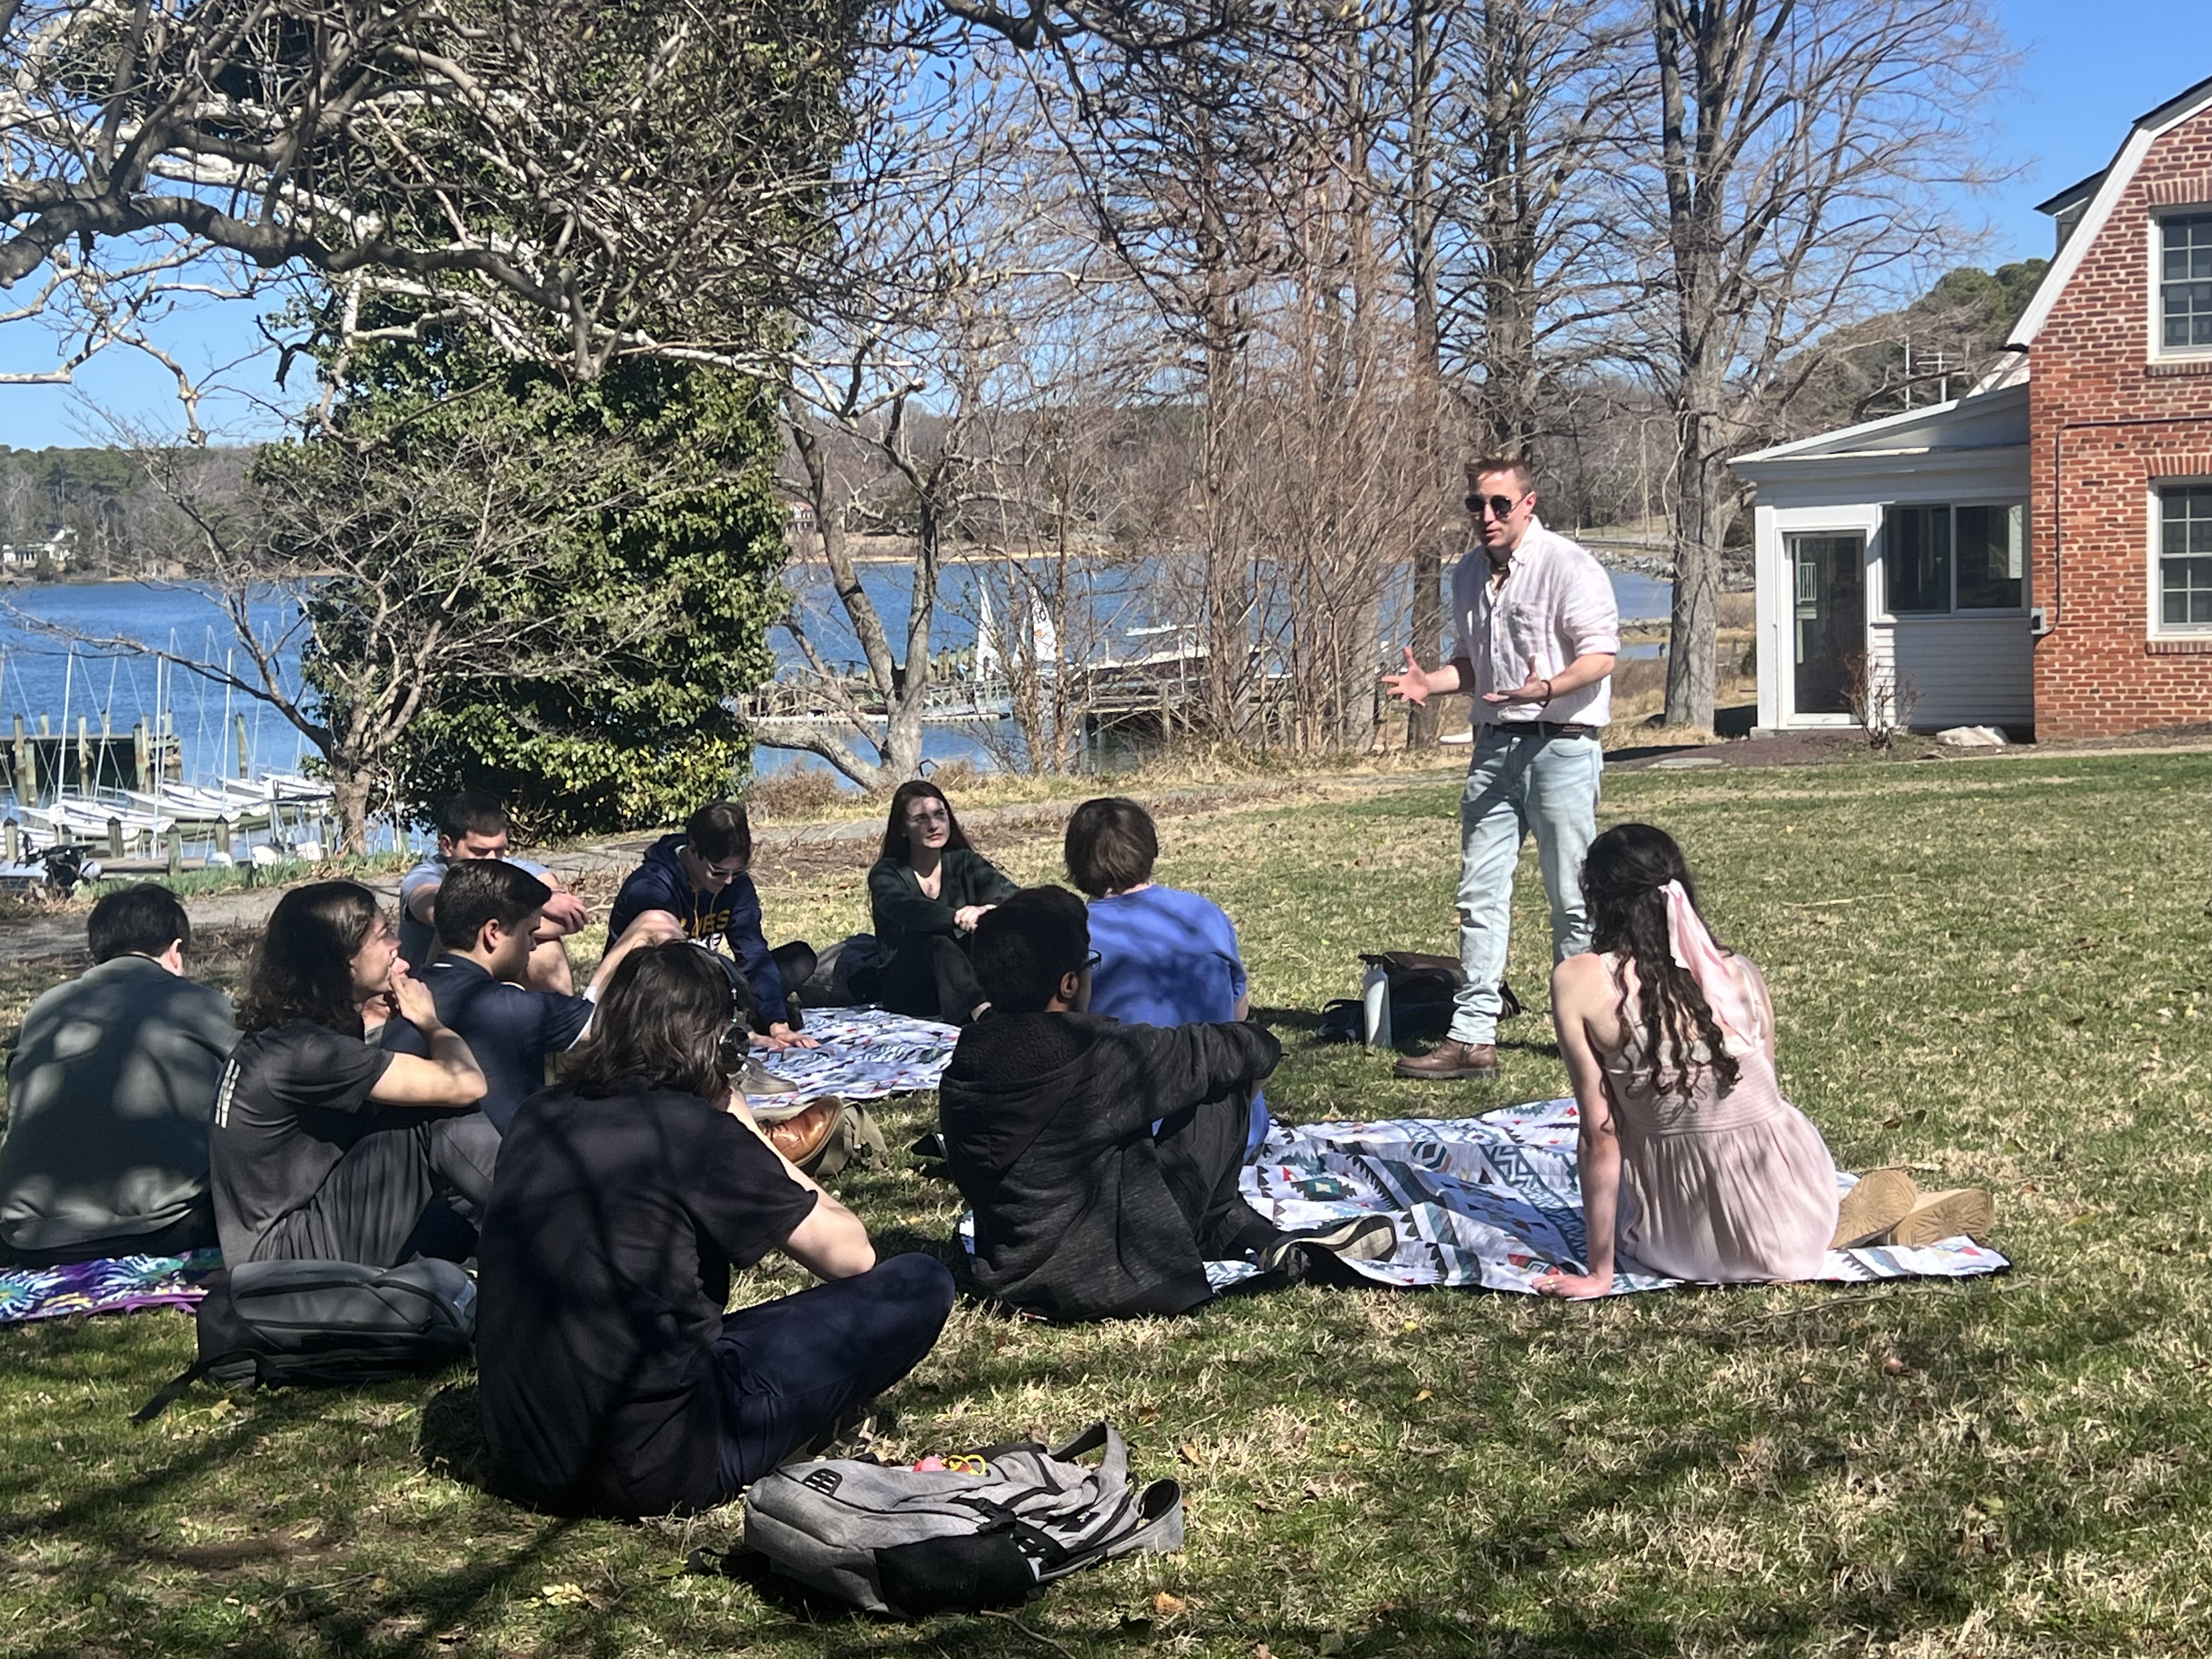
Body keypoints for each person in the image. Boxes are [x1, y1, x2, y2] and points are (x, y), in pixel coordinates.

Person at [475, 941, 955, 1518]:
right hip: (659, 1468)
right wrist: (745, 1127)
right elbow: (851, 1257)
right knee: (919, 1281)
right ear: (721, 1044)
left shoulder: (538, 1115)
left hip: (521, 1457)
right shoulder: (694, 1130)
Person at [937, 888, 1393, 1323]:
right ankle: (1224, 1224)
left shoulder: (967, 1059)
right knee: (1222, 1076)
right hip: (1128, 1276)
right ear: (1070, 984)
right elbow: (1241, 1049)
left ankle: (1241, 1230)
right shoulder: (1098, 1056)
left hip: (1013, 1276)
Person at [1383, 455, 1619, 1080]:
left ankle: (1585, 1034)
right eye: (1476, 506)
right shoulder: (1465, 576)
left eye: (1499, 505)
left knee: (1572, 896)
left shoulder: (1569, 566)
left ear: (1528, 504)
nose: (1486, 517)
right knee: (1479, 892)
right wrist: (1428, 683)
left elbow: (1601, 657)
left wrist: (1546, 689)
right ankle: (1472, 1038)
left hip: (1563, 743)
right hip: (1493, 747)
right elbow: (1471, 665)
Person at [1533, 825, 1841, 1296]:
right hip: (1798, 1222)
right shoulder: (1740, 973)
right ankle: (1845, 1214)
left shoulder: (1579, 981)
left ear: (1598, 899)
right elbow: (1766, 1102)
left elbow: (1602, 1134)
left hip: (1682, 1244)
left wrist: (1600, 1273)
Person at [210, 881, 495, 1267]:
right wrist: (430, 1023)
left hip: (291, 1235)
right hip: (284, 1259)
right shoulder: (308, 1051)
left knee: (466, 1221)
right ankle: (558, 1211)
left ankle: (538, 1221)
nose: (396, 944)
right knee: (427, 1117)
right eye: (383, 935)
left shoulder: (289, 1032)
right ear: (345, 960)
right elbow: (465, 1083)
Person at [0, 885, 236, 1266]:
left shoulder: (46, 1008)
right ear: (176, 952)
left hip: (28, 1234)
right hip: (163, 1227)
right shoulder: (205, 1004)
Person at [403, 860, 676, 1132]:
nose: (534, 945)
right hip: (507, 1162)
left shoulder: (409, 994)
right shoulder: (516, 1009)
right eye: (530, 932)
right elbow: (637, 1025)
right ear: (493, 933)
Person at [1063, 795, 1270, 1154]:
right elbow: (1240, 1013)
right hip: (1229, 1127)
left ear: (1076, 861)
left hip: (1128, 1137)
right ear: (1150, 849)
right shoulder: (1206, 915)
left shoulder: (1074, 933)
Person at [606, 800, 817, 1050]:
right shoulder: (650, 887)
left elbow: (752, 953)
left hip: (709, 983)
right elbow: (662, 977)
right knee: (706, 986)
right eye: (718, 873)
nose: (728, 882)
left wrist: (777, 1023)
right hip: (652, 994)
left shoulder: (736, 887)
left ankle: (750, 1018)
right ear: (694, 850)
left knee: (798, 959)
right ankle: (733, 1024)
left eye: (737, 873)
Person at [399, 792, 589, 992]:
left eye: (499, 850)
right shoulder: (424, 877)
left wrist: (537, 906)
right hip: (432, 995)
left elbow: (570, 919)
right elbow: (449, 915)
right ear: (447, 846)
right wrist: (538, 905)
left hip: (497, 984)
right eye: (479, 852)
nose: (492, 861)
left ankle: (561, 1013)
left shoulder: (524, 870)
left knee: (542, 946)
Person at [867, 780, 1017, 1024]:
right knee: (934, 939)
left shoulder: (965, 862)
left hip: (967, 975)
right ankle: (985, 1017)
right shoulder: (886, 874)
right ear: (903, 829)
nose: (934, 825)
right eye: (921, 819)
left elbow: (1013, 895)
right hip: (910, 989)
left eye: (939, 815)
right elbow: (910, 911)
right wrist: (958, 918)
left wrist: (987, 910)